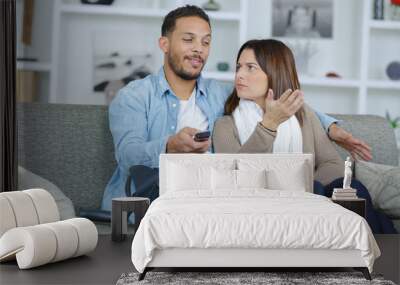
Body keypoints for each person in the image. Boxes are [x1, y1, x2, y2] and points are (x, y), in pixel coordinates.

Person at [101, 5, 372, 216]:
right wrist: (170, 145)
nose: (198, 49)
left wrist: (330, 126)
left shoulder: (222, 93)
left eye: (206, 42)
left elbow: (280, 102)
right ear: (164, 44)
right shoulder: (134, 96)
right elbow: (128, 156)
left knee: (356, 193)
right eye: (188, 39)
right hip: (155, 199)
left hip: (212, 201)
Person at [212, 39, 396, 234]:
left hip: (314, 200)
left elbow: (332, 163)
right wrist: (269, 125)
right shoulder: (225, 126)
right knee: (318, 191)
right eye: (238, 67)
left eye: (251, 68)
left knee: (353, 190)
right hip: (265, 209)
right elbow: (237, 177)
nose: (239, 75)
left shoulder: (304, 115)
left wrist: (305, 187)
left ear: (275, 72)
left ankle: (377, 258)